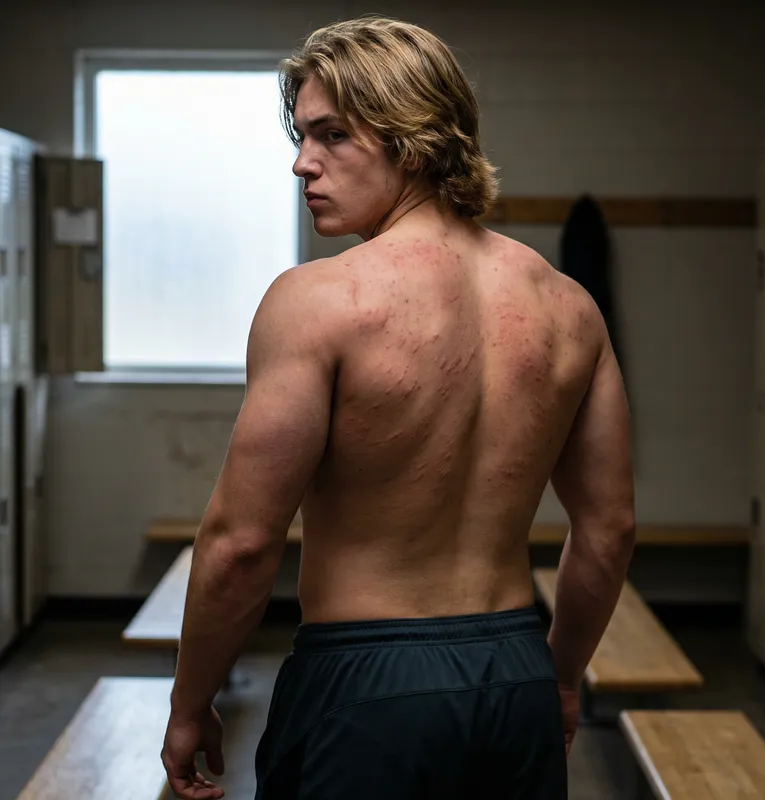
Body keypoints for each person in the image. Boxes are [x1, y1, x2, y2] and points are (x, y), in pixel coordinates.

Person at [161, 15, 636, 800]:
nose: (300, 163)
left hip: (366, 680)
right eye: (302, 136)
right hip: (515, 671)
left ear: (411, 138)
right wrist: (557, 677)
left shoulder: (318, 301)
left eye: (331, 136)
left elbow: (243, 544)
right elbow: (610, 529)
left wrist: (189, 702)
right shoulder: (567, 307)